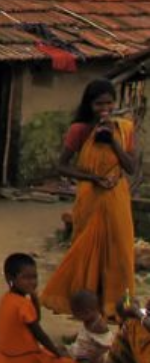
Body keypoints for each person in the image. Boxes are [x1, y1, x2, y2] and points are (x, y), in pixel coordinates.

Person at [40, 79, 138, 318]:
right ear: (89, 105)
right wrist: (92, 178)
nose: (104, 109)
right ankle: (88, 308)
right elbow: (62, 166)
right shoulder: (80, 130)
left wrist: (112, 140)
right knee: (87, 253)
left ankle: (119, 305)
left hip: (117, 198)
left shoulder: (124, 128)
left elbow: (131, 167)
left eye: (109, 103)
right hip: (91, 198)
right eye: (98, 104)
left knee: (122, 256)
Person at [0, 252, 73, 363]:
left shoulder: (7, 298)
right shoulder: (23, 304)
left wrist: (34, 298)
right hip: (23, 358)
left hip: (5, 356)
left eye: (34, 277)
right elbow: (40, 334)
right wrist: (56, 353)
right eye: (26, 278)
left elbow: (35, 319)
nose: (32, 282)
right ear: (11, 278)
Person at [65, 289, 113, 362]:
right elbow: (85, 333)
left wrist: (97, 354)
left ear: (87, 312)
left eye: (76, 314)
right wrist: (75, 337)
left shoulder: (99, 325)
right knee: (61, 349)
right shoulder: (88, 319)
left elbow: (107, 343)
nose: (76, 317)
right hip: (82, 348)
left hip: (89, 355)